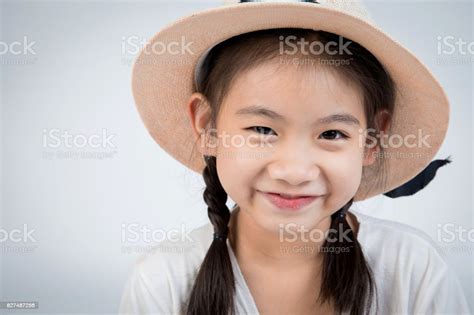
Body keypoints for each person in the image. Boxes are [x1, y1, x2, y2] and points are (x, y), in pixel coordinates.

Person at [119, 1, 471, 314]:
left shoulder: (413, 270)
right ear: (208, 126)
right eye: (261, 130)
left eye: (332, 134)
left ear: (371, 139)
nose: (294, 171)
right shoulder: (163, 281)